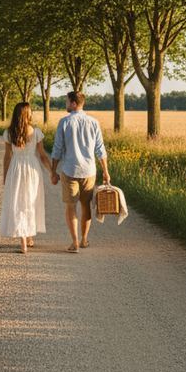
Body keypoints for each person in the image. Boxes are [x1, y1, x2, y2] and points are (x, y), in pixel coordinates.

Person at [50, 91, 110, 253]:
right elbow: (100, 149)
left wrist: (53, 171)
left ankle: (75, 242)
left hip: (70, 170)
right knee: (85, 206)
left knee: (71, 206)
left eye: (67, 101)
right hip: (89, 171)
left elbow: (57, 149)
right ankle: (84, 240)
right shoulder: (94, 122)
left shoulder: (64, 122)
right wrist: (105, 171)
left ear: (74, 103)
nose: (66, 104)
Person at [0, 102, 53, 254]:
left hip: (16, 168)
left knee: (18, 202)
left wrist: (5, 176)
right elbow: (42, 156)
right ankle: (27, 237)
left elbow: (7, 157)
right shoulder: (35, 132)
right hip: (32, 169)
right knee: (30, 201)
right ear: (28, 114)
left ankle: (25, 239)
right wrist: (51, 171)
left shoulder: (9, 132)